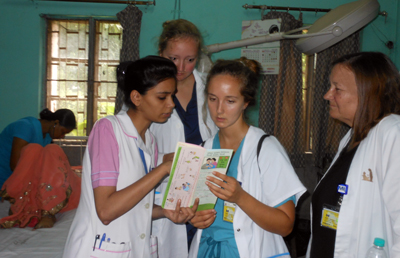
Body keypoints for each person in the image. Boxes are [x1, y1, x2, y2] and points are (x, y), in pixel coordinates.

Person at [63, 56, 198, 258]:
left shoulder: (149, 140)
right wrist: (162, 169)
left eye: (172, 96)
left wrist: (164, 212)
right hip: (100, 248)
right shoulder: (108, 130)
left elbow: (135, 204)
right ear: (136, 98)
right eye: (162, 97)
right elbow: (107, 211)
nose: (171, 104)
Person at [188, 57, 306, 258]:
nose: (219, 110)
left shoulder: (266, 149)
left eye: (230, 101)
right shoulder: (204, 149)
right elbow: (197, 208)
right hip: (205, 251)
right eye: (213, 98)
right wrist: (195, 218)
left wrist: (240, 197)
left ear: (246, 102)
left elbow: (286, 225)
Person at [306, 52, 400, 257]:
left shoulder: (393, 134)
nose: (327, 95)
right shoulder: (351, 137)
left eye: (337, 89)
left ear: (369, 93)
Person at [150, 19, 218, 257]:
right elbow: (130, 142)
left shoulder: (210, 89)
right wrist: (160, 160)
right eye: (173, 59)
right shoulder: (148, 91)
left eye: (190, 60)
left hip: (206, 190)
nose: (181, 67)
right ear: (161, 54)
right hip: (164, 191)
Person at [0, 108, 80, 229]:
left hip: (22, 177)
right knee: (40, 151)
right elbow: (16, 166)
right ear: (56, 123)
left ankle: (43, 207)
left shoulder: (47, 137)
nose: (62, 137)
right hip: (7, 176)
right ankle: (29, 207)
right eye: (63, 132)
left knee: (59, 168)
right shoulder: (25, 127)